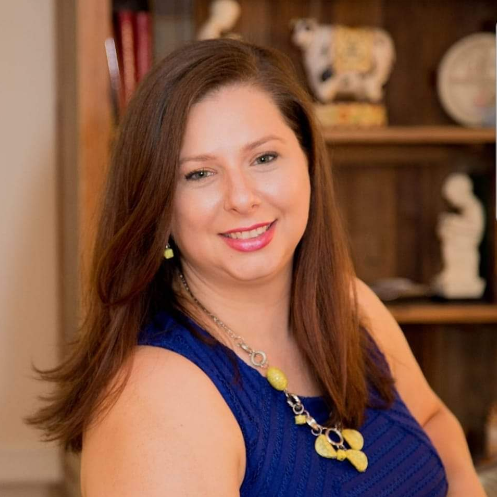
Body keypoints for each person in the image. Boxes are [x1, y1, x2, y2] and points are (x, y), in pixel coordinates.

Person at [27, 38, 485, 496]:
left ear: (308, 162)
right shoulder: (155, 398)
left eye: (264, 158)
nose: (242, 198)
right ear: (157, 205)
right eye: (199, 174)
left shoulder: (349, 303)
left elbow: (432, 423)